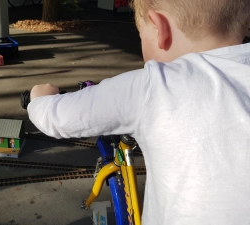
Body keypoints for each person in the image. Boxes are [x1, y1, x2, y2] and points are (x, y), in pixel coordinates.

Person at [26, 1, 250, 224]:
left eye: (141, 35)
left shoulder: (154, 85)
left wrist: (40, 98)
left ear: (159, 28)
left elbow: (56, 118)